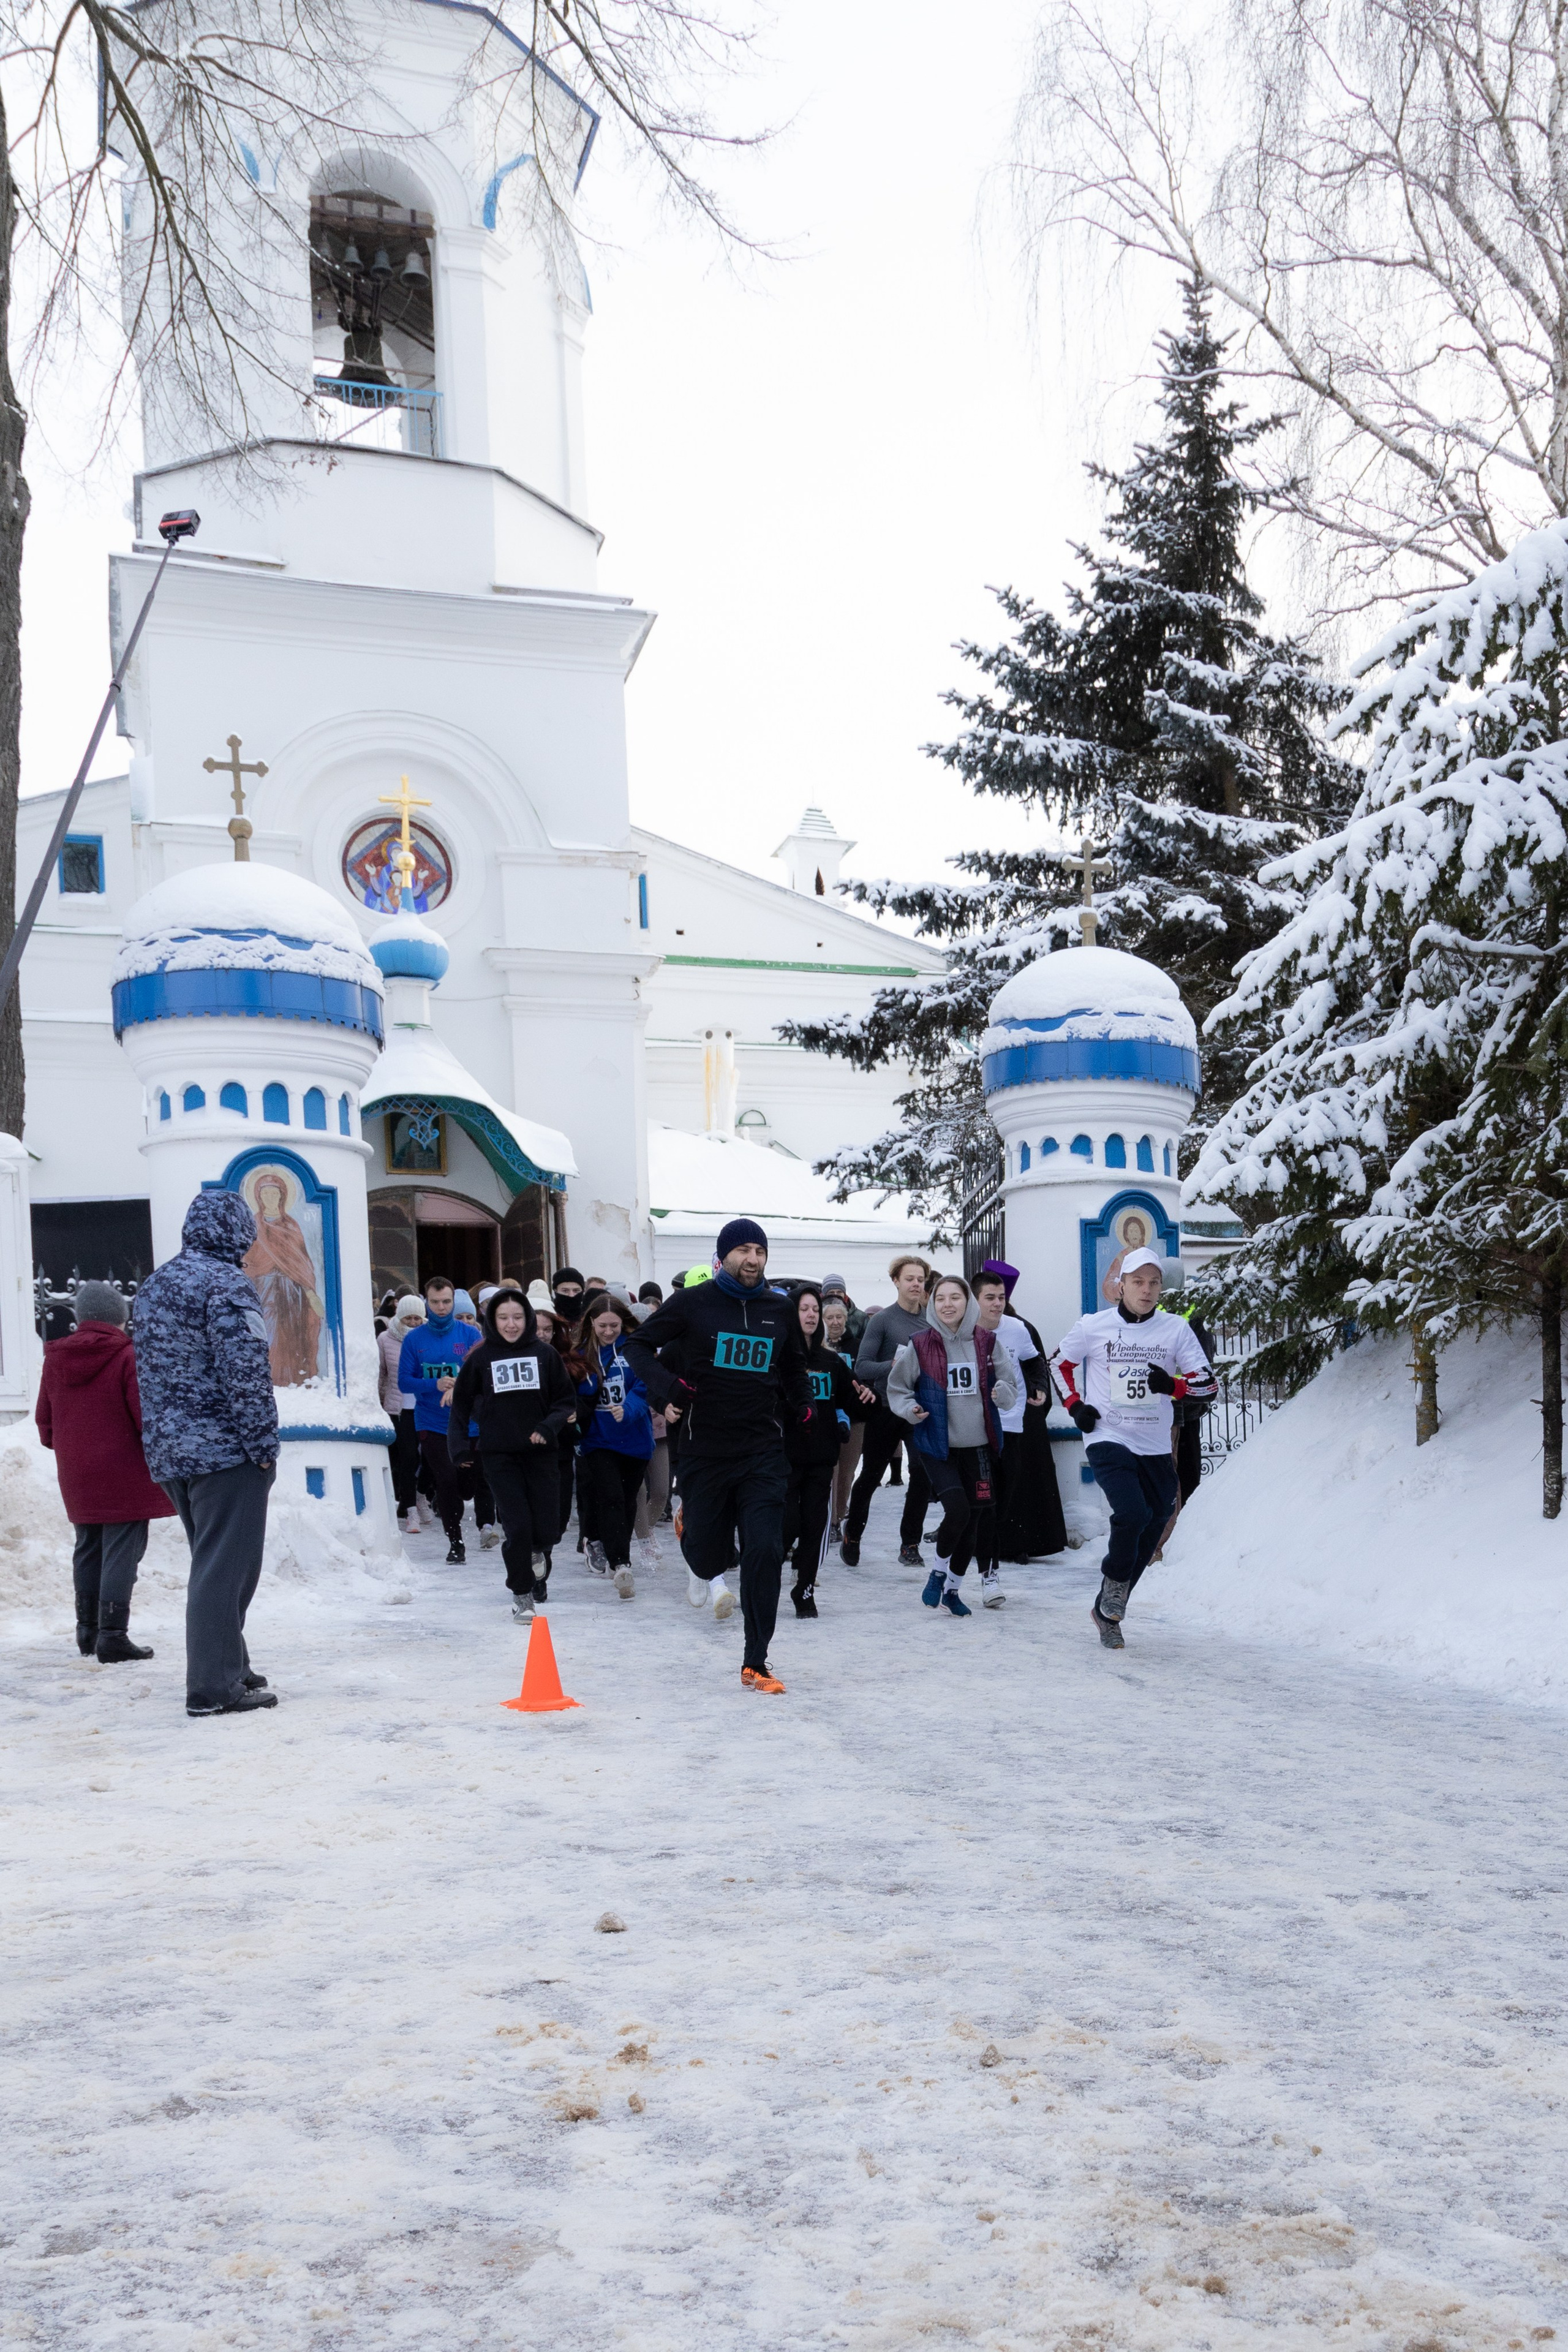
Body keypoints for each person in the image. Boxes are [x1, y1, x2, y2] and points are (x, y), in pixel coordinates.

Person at [624, 1217, 812, 1695]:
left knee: (767, 1551)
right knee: (708, 1559)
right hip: (705, 1449)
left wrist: (804, 1403)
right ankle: (692, 1528)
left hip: (763, 1451)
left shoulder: (779, 1308)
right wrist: (668, 1387)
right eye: (744, 1250)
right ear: (724, 1256)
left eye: (760, 1251)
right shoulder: (693, 1302)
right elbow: (637, 1344)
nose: (753, 1259)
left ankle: (757, 1659)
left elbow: (792, 1366)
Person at [132, 1190, 280, 1717]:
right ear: (239, 1231)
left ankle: (231, 1666)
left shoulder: (155, 1284)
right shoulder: (226, 1284)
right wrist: (263, 1447)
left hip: (172, 1453)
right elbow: (245, 1374)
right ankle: (214, 1689)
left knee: (215, 1563)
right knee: (228, 1570)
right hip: (225, 1451)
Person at [1057, 1247, 1217, 1649]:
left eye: (1154, 1282)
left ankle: (1111, 1604)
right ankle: (1114, 1584)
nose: (1147, 1290)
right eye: (1138, 1282)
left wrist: (1174, 1386)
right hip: (1107, 1435)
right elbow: (1058, 1363)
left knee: (1159, 1514)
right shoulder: (1094, 1326)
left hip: (1154, 1442)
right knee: (1132, 1512)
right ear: (1121, 1285)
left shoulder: (1175, 1329)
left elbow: (1209, 1383)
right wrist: (1076, 1406)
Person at [37, 1281, 175, 1664]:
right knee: (121, 1548)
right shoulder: (127, 1356)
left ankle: (88, 1632)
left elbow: (44, 1422)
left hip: (77, 1472)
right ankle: (113, 1637)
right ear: (120, 1317)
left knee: (88, 1546)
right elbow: (145, 1418)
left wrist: (73, 1449)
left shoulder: (55, 1358)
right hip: (125, 1470)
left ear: (81, 1317)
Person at [887, 1272, 1016, 1616]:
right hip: (937, 1444)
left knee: (972, 1521)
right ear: (933, 1304)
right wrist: (910, 1409)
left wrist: (1003, 1394)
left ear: (967, 1303)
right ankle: (938, 1572)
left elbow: (1009, 1383)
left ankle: (953, 1592)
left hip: (979, 1446)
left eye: (955, 1298)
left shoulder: (987, 1342)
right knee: (958, 1511)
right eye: (941, 1298)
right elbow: (897, 1387)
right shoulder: (920, 1343)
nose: (948, 1305)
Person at [447, 1288, 578, 1618]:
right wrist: (460, 1447)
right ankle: (521, 1595)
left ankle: (537, 1550)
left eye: (517, 1317)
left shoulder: (545, 1355)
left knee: (547, 1529)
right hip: (499, 1456)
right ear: (492, 1320)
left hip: (542, 1454)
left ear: (528, 1319)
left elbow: (565, 1401)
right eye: (503, 1318)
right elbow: (460, 1406)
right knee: (517, 1527)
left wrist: (548, 1427)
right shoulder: (481, 1358)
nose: (511, 1324)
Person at [973, 1266, 1065, 1591]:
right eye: (991, 1298)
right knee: (982, 1490)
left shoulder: (1019, 1328)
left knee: (1011, 1486)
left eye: (1002, 1297)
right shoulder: (964, 1329)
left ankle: (1004, 1545)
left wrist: (1039, 1386)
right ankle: (984, 1550)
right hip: (975, 1424)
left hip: (1014, 1422)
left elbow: (1034, 1361)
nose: (997, 1304)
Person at [840, 1255, 937, 1566]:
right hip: (885, 1407)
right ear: (896, 1281)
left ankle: (910, 1543)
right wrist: (894, 1365)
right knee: (871, 1475)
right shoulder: (882, 1320)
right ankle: (852, 1534)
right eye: (909, 1279)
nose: (916, 1284)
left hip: (918, 1408)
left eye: (921, 1279)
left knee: (921, 1474)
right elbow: (862, 1365)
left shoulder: (933, 1320)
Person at [782, 1283, 871, 1617]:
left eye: (814, 1310)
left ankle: (804, 1589)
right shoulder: (780, 1360)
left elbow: (853, 1401)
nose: (810, 1315)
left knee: (816, 1525)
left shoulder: (831, 1362)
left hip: (822, 1458)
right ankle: (763, 1575)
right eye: (803, 1309)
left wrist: (867, 1400)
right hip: (785, 1458)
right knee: (787, 1524)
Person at [572, 1290, 655, 1597]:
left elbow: (645, 1386)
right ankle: (621, 1563)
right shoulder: (581, 1355)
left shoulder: (636, 1350)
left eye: (615, 1326)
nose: (608, 1332)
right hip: (599, 1440)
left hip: (634, 1440)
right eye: (602, 1326)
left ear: (625, 1324)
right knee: (610, 1497)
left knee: (628, 1497)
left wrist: (629, 1409)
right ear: (591, 1323)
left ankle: (616, 1552)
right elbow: (573, 1394)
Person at [398, 1275, 484, 1561]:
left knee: (467, 1485)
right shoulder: (414, 1339)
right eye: (435, 1302)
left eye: (447, 1301)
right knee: (446, 1479)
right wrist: (433, 1384)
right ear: (427, 1303)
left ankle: (452, 1500)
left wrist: (458, 1385)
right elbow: (404, 1382)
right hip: (432, 1422)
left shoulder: (470, 1335)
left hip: (469, 1422)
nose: (442, 1307)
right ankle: (455, 1541)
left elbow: (482, 1376)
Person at [823, 1293, 870, 1539]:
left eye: (839, 1317)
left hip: (854, 1417)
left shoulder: (857, 1346)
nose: (835, 1322)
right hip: (826, 1417)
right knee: (832, 1469)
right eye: (829, 1317)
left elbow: (865, 1376)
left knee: (848, 1471)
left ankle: (840, 1516)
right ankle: (829, 1521)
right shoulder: (816, 1348)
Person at [379, 1294, 425, 1532]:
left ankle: (421, 1495)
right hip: (401, 1408)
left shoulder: (428, 1337)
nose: (414, 1322)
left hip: (428, 1406)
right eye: (409, 1318)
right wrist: (379, 1402)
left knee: (428, 1458)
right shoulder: (386, 1339)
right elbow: (382, 1373)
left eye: (418, 1318)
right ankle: (410, 1509)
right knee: (408, 1458)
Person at [820, 1273, 868, 1354]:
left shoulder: (861, 1318)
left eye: (839, 1292)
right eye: (831, 1292)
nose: (835, 1295)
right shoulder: (818, 1315)